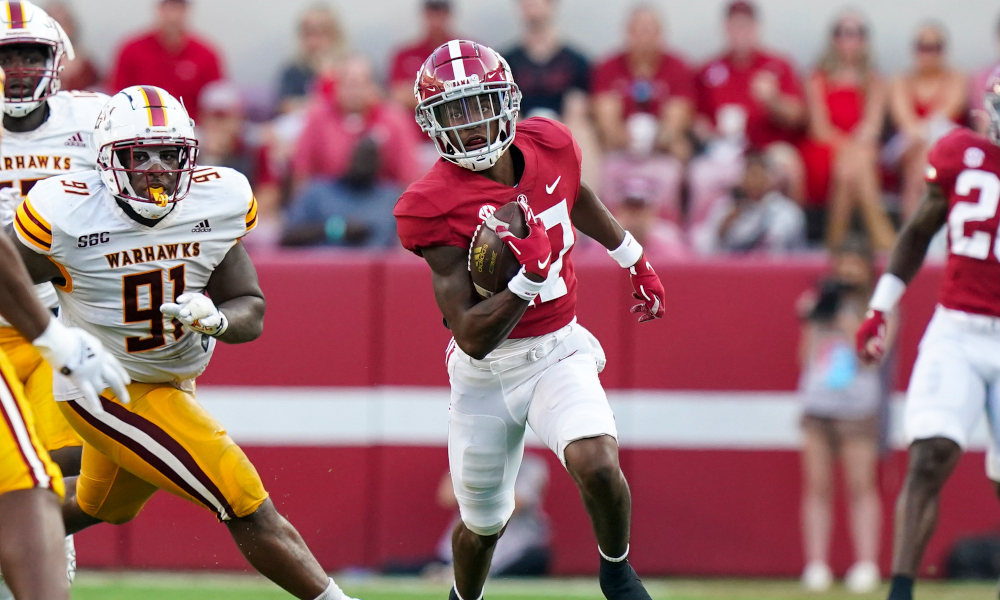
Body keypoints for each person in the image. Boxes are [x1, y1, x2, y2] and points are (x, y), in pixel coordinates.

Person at [11, 86, 357, 600]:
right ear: (107, 161)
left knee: (103, 505)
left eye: (169, 155)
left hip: (172, 377)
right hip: (104, 388)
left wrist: (216, 319)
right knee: (241, 495)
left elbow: (250, 307)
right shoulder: (66, 211)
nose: (155, 168)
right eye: (138, 155)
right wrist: (56, 334)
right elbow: (7, 277)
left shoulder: (218, 200)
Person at [394, 40, 665, 600]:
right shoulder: (430, 204)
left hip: (557, 349)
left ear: (508, 100)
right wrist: (528, 281)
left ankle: (616, 570)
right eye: (453, 113)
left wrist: (633, 256)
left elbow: (575, 195)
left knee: (596, 461)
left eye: (478, 105)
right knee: (483, 525)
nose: (469, 126)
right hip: (488, 372)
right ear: (432, 124)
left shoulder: (553, 143)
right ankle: (463, 597)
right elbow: (470, 337)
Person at [855, 69, 1000, 600]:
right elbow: (918, 231)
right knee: (929, 454)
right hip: (958, 328)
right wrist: (880, 307)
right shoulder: (961, 152)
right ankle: (900, 591)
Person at [0, 2, 112, 593]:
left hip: (53, 310)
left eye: (31, 54)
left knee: (67, 457)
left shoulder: (94, 119)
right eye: (6, 55)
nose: (18, 69)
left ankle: (45, 542)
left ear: (57, 60)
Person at [797, 239, 892, 594]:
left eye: (856, 266)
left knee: (860, 486)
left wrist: (849, 321)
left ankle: (866, 563)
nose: (848, 273)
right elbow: (803, 356)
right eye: (843, 265)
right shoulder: (821, 302)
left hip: (858, 406)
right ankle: (816, 564)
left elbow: (874, 356)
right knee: (817, 487)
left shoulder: (879, 308)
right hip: (819, 402)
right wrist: (815, 316)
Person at [690, 0, 807, 214]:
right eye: (736, 26)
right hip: (725, 151)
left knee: (790, 165)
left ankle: (794, 232)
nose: (741, 32)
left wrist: (773, 100)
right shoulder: (709, 70)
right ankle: (702, 240)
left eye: (746, 26)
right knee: (700, 173)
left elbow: (799, 117)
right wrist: (705, 130)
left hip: (767, 150)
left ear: (756, 28)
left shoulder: (777, 65)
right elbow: (696, 118)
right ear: (726, 28)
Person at [800, 12, 893, 251]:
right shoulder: (817, 77)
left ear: (864, 39)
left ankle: (834, 245)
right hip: (825, 151)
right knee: (854, 163)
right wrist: (850, 148)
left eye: (855, 33)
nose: (849, 40)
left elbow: (871, 127)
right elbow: (820, 129)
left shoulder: (874, 80)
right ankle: (884, 239)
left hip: (859, 151)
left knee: (849, 169)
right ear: (833, 38)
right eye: (842, 33)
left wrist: (854, 150)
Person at [503, 0, 601, 187]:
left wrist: (558, 134)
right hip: (521, 128)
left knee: (583, 131)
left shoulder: (576, 61)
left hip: (565, 129)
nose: (530, 5)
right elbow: (505, 106)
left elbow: (577, 107)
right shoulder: (506, 62)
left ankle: (582, 203)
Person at [292, 55, 422, 192]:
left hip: (380, 200)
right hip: (329, 198)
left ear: (374, 87)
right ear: (336, 86)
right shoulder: (318, 119)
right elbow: (302, 171)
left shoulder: (395, 120)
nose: (354, 92)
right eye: (348, 84)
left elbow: (408, 176)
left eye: (361, 84)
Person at [592, 5, 694, 160]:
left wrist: (657, 140)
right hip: (619, 147)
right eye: (637, 31)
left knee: (680, 149)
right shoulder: (608, 67)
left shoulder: (678, 67)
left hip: (662, 148)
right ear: (627, 34)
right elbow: (605, 116)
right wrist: (623, 139)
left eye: (649, 31)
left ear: (660, 34)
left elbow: (679, 114)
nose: (643, 38)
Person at [887, 23, 966, 219]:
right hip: (909, 148)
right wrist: (921, 138)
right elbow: (904, 120)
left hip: (941, 148)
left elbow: (946, 114)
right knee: (921, 159)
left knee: (923, 161)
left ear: (943, 50)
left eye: (935, 48)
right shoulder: (901, 81)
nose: (928, 54)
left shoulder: (957, 79)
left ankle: (910, 237)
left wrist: (923, 140)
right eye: (923, 47)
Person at [436, 452, 552, 577]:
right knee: (417, 570)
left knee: (538, 558)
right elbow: (447, 497)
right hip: (464, 547)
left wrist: (473, 494)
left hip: (514, 551)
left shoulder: (529, 466)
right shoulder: (468, 461)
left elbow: (515, 504)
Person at [109, 0, 224, 122]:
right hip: (140, 129)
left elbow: (218, 104)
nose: (173, 16)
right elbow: (117, 96)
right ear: (159, 10)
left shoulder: (206, 55)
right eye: (169, 8)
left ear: (187, 11)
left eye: (178, 8)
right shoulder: (132, 50)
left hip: (191, 130)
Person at [281, 137, 400, 248]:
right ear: (349, 157)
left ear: (381, 162)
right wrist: (337, 229)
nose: (364, 162)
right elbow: (286, 237)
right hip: (324, 266)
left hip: (375, 266)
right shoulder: (318, 192)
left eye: (370, 157)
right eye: (360, 156)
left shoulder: (392, 199)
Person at [690, 151, 805, 254]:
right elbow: (705, 250)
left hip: (774, 272)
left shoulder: (787, 212)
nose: (753, 181)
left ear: (771, 179)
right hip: (734, 272)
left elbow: (794, 251)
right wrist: (722, 229)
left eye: (758, 174)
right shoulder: (725, 208)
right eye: (748, 174)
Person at [276, 4, 346, 115]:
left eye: (321, 33)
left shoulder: (352, 67)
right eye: (308, 34)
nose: (314, 42)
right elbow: (285, 106)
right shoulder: (293, 70)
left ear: (335, 35)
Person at [42, 1, 97, 92]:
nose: (59, 30)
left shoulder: (87, 67)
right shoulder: (35, 67)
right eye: (53, 24)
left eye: (63, 23)